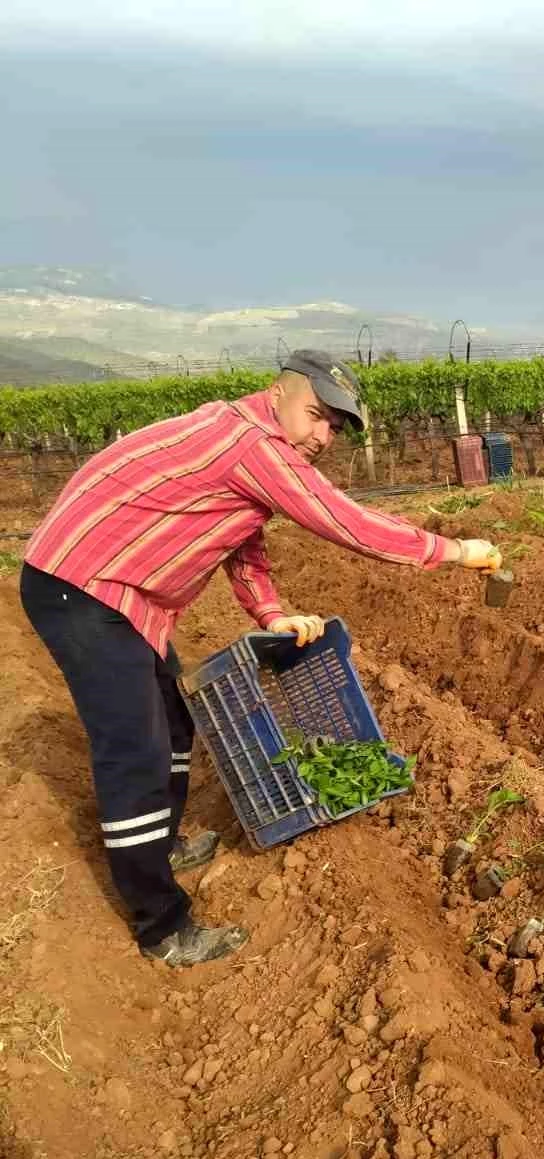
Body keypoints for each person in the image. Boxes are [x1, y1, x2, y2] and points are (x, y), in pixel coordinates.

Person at [20, 350, 501, 968]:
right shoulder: (253, 444)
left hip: (122, 591)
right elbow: (345, 522)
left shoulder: (243, 440)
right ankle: (161, 926)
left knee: (172, 720)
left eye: (335, 427)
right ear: (278, 394)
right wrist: (453, 550)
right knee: (134, 751)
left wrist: (270, 614)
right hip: (82, 586)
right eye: (317, 416)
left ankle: (161, 844)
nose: (324, 436)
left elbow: (240, 538)